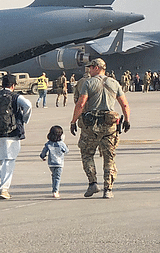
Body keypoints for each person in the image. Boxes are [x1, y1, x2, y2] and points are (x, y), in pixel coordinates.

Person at [70, 58, 131, 199]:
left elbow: (80, 104)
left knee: (87, 154)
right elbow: (125, 104)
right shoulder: (114, 83)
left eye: (90, 67)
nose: (89, 70)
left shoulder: (88, 83)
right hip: (110, 126)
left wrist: (73, 121)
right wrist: (127, 120)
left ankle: (92, 183)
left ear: (97, 68)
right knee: (109, 157)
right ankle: (108, 189)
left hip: (91, 126)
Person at [0, 74, 32, 199]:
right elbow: (28, 105)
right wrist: (23, 120)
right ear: (13, 85)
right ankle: (4, 189)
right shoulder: (15, 97)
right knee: (8, 162)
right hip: (10, 135)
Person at [40, 125, 69, 198]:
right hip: (59, 163)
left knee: (54, 176)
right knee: (57, 177)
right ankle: (55, 191)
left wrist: (42, 156)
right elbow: (66, 151)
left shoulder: (48, 143)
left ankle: (54, 189)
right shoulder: (61, 144)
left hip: (51, 163)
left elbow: (44, 151)